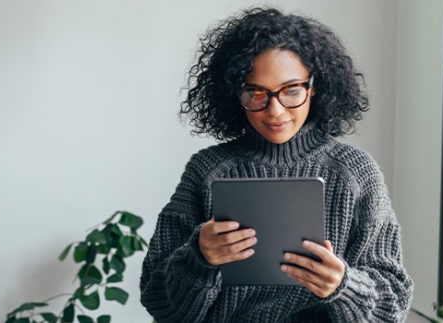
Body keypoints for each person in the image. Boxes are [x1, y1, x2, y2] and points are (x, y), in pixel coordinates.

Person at [140, 7, 413, 322]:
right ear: (233, 93)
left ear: (316, 87)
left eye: (291, 91)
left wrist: (344, 286)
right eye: (256, 94)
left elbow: (393, 304)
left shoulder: (355, 172)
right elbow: (158, 300)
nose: (275, 112)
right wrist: (198, 258)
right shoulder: (207, 170)